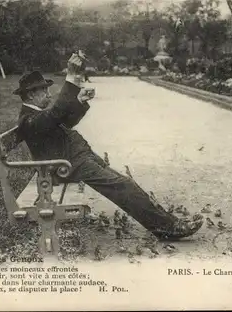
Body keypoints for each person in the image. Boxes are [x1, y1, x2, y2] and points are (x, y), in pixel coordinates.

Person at [14, 53, 203, 241]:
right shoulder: (28, 119)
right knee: (123, 185)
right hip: (65, 167)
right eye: (44, 91)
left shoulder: (35, 115)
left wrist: (79, 101)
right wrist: (71, 76)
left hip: (73, 160)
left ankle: (167, 223)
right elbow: (57, 113)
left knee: (124, 181)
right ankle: (167, 228)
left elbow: (66, 121)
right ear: (31, 94)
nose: (48, 94)